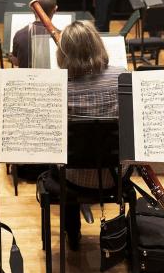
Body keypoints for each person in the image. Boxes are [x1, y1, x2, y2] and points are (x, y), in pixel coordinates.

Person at [53, 20, 126, 250]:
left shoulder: (58, 86)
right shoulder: (123, 78)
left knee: (58, 160)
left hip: (72, 177)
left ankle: (72, 233)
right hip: (116, 174)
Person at [10, 0, 57, 68]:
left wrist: (11, 57)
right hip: (56, 80)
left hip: (27, 80)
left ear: (32, 8)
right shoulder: (64, 37)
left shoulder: (20, 35)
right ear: (55, 9)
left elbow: (17, 62)